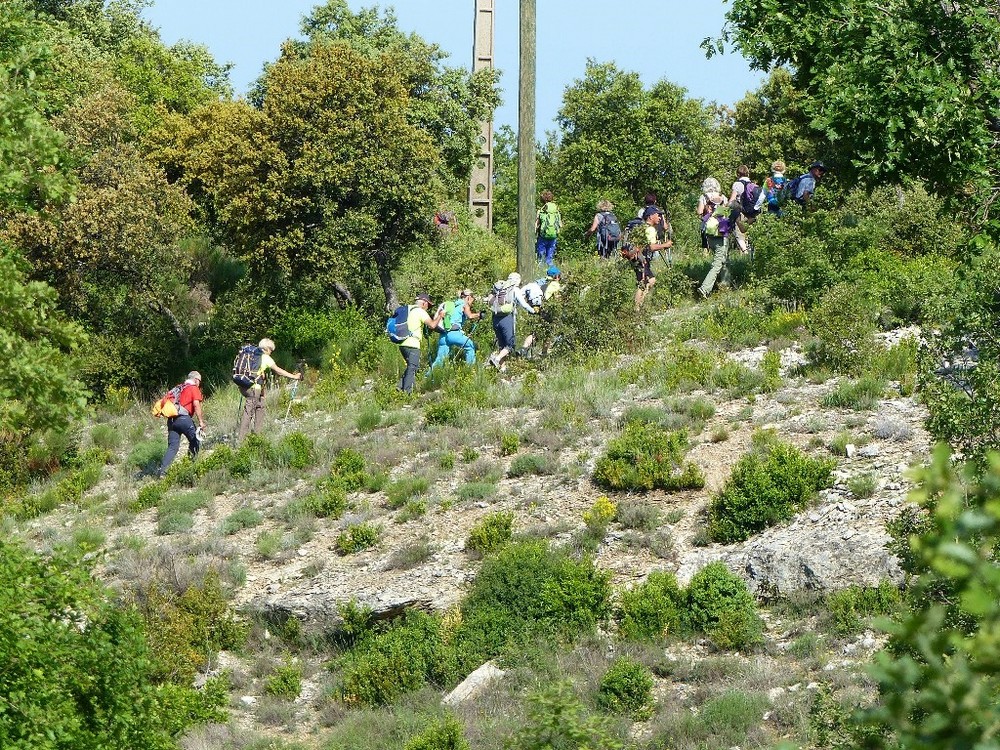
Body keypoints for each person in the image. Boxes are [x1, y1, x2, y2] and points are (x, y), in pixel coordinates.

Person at [237, 338, 302, 440]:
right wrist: (294, 377)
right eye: (271, 350)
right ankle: (241, 442)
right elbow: (278, 371)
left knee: (260, 406)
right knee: (248, 412)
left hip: (243, 385)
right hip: (254, 388)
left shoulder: (251, 354)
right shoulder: (265, 357)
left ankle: (257, 438)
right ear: (267, 348)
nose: (271, 352)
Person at [159, 371, 205, 477]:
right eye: (199, 381)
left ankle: (163, 472)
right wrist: (201, 422)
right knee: (195, 441)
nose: (199, 383)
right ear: (195, 379)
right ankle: (190, 467)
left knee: (172, 447)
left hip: (171, 420)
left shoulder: (179, 388)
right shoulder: (193, 388)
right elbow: (196, 405)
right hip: (184, 419)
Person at [487, 272, 537, 370]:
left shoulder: (500, 288)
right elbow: (524, 304)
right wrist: (533, 311)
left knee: (502, 345)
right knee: (510, 345)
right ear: (517, 280)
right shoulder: (514, 289)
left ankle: (502, 369)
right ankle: (497, 359)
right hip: (507, 318)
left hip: (495, 317)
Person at [397, 293, 445, 393]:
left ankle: (400, 387)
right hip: (413, 344)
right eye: (428, 305)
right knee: (413, 367)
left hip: (402, 343)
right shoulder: (420, 311)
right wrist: (440, 316)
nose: (428, 308)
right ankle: (407, 392)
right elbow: (432, 325)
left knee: (411, 366)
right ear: (423, 303)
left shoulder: (409, 310)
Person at [429, 289, 480, 371]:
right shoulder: (464, 305)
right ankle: (469, 371)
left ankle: (428, 377)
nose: (472, 302)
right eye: (472, 300)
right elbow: (470, 316)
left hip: (444, 335)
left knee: (439, 360)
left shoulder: (454, 305)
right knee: (471, 346)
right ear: (468, 297)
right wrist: (479, 314)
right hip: (454, 334)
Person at [697, 177, 732, 299]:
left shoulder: (704, 197)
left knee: (722, 259)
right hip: (721, 232)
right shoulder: (723, 197)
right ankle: (705, 288)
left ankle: (725, 284)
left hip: (709, 233)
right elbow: (727, 211)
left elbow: (699, 213)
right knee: (718, 262)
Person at [633, 206, 672, 310]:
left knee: (650, 281)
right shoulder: (650, 229)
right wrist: (665, 245)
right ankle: (636, 309)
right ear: (650, 217)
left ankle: (639, 306)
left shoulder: (643, 227)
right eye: (658, 215)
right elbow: (652, 247)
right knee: (643, 284)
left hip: (640, 259)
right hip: (641, 260)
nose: (660, 217)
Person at [728, 165, 756, 255]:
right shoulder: (753, 184)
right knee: (750, 233)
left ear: (737, 174)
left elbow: (732, 200)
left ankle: (744, 253)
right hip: (753, 213)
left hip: (741, 212)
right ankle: (752, 254)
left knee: (739, 233)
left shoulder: (737, 184)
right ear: (748, 173)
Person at [534, 190, 562, 266]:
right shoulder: (556, 209)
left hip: (542, 236)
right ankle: (550, 273)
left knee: (541, 256)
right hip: (553, 236)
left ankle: (540, 272)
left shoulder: (541, 210)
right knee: (550, 257)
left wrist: (534, 234)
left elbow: (536, 224)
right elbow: (560, 223)